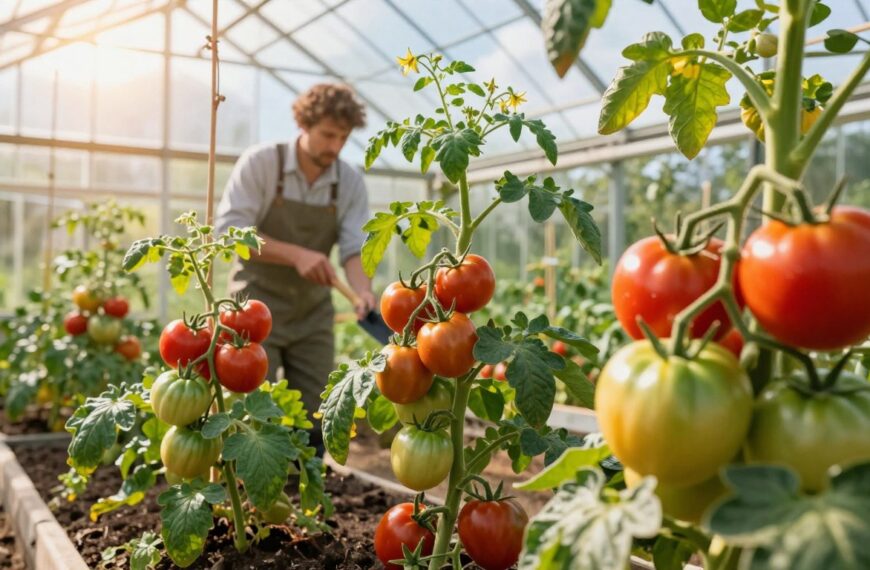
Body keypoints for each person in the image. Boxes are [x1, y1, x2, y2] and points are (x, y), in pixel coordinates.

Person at [216, 84, 376, 452]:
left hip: (311, 313)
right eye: (327, 135)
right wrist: (298, 255)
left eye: (343, 138)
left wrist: (363, 290)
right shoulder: (261, 164)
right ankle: (251, 500)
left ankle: (307, 499)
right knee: (254, 415)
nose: (334, 147)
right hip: (253, 310)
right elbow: (229, 234)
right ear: (304, 124)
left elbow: (355, 249)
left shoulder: (348, 182)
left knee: (317, 416)